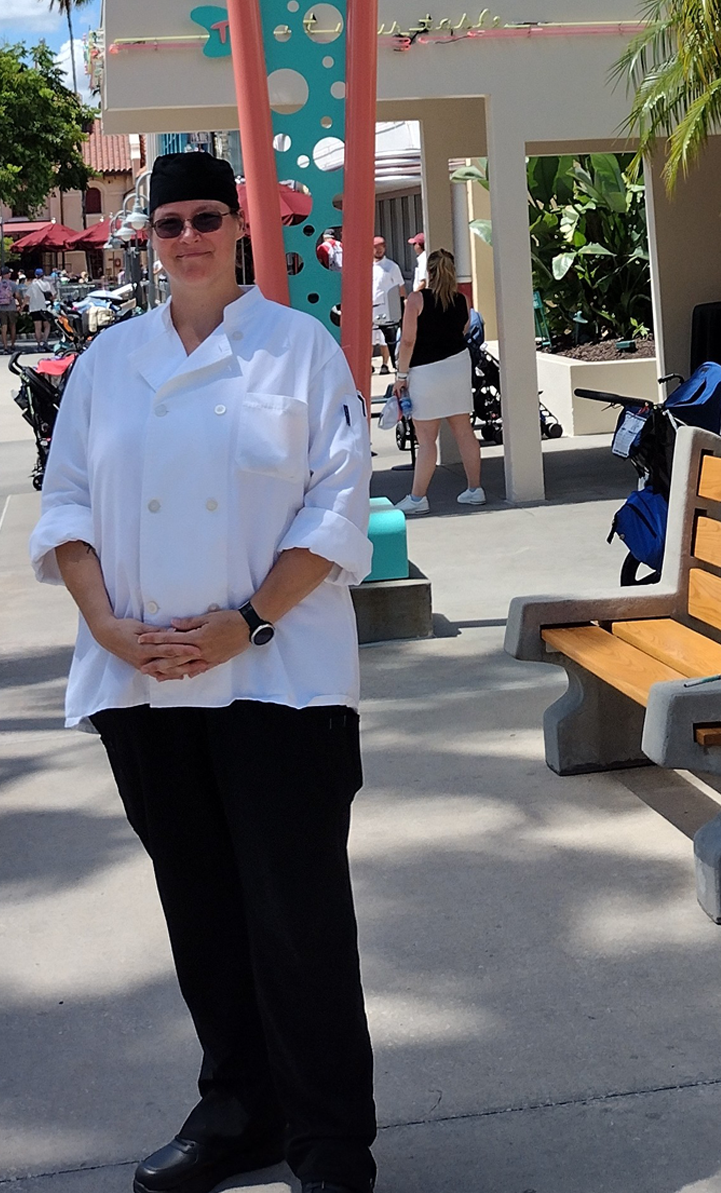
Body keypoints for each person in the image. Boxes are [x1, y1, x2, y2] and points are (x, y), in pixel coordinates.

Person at [31, 151, 377, 1193]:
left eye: (205, 220)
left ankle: (328, 1144)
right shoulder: (108, 362)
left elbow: (337, 504)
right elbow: (70, 508)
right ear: (150, 237)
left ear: (239, 229)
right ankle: (238, 1112)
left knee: (299, 918)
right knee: (202, 913)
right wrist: (107, 627)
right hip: (146, 682)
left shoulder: (298, 348)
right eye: (169, 222)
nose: (186, 238)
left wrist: (247, 624)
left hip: (279, 680)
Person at [393, 247, 484, 514]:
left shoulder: (416, 299)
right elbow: (464, 329)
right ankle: (474, 488)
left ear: (428, 272)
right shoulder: (461, 300)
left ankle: (418, 497)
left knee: (426, 439)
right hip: (457, 367)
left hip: (425, 372)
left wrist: (401, 375)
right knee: (464, 431)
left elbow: (408, 340)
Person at [371, 237, 404, 376]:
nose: (379, 249)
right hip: (370, 307)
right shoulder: (366, 266)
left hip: (386, 308)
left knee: (385, 339)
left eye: (381, 246)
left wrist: (403, 305)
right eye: (376, 246)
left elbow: (401, 288)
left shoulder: (391, 267)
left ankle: (385, 364)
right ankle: (369, 364)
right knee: (370, 339)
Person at [26, 267, 53, 346]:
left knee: (37, 327)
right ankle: (45, 340)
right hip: (46, 307)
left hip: (35, 308)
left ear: (35, 275)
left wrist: (22, 306)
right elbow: (53, 295)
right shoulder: (47, 284)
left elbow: (27, 296)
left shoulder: (32, 285)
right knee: (47, 325)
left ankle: (38, 344)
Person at [0, 267, 18, 350]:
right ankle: (12, 344)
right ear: (7, 274)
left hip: (1, 308)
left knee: (4, 327)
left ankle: (5, 345)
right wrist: (20, 304)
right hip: (11, 307)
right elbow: (17, 295)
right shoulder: (13, 284)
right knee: (12, 326)